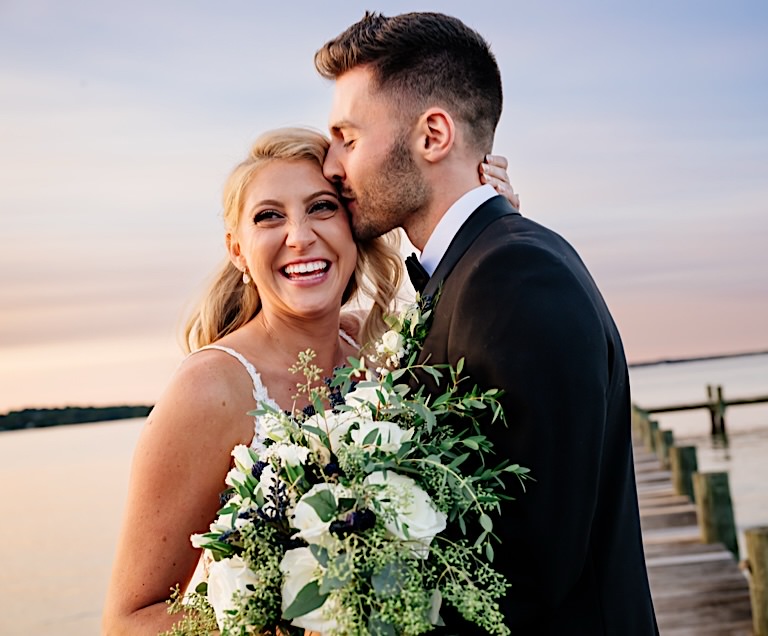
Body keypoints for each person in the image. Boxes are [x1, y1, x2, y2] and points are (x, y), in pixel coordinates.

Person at [315, 11, 657, 633]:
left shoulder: (514, 277)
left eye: (348, 137)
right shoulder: (483, 267)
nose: (331, 166)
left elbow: (530, 566)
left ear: (433, 134)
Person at [101, 127, 515, 634]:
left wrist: (492, 230)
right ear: (237, 250)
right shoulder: (212, 388)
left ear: (353, 228)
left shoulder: (389, 347)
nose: (299, 236)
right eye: (269, 216)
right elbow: (127, 620)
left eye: (321, 207)